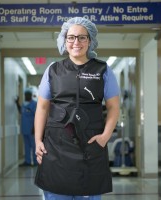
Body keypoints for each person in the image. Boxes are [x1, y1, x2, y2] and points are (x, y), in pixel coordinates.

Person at [34, 17, 120, 200]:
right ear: (64, 41)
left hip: (90, 148)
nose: (76, 42)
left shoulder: (103, 70)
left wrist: (105, 137)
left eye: (82, 37)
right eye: (71, 37)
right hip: (56, 148)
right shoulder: (53, 70)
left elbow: (113, 108)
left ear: (90, 41)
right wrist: (37, 141)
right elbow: (42, 107)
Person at [15, 88, 37, 167]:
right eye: (25, 95)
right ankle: (27, 161)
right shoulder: (24, 104)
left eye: (28, 95)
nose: (26, 96)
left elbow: (37, 117)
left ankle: (35, 162)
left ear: (30, 95)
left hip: (32, 129)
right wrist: (17, 103)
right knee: (26, 146)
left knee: (34, 146)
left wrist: (34, 128)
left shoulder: (34, 104)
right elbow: (21, 111)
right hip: (24, 129)